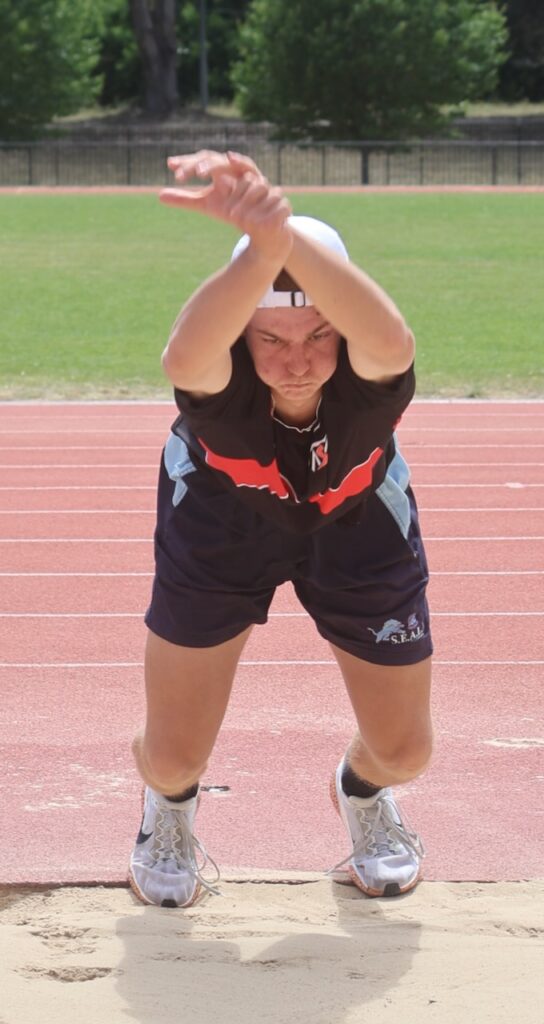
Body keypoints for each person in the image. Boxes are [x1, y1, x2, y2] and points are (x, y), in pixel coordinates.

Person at [128, 150, 434, 909]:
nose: (296, 360)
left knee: (404, 750)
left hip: (358, 524)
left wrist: (284, 238)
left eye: (317, 335)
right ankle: (167, 810)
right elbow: (181, 352)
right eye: (271, 339)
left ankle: (360, 796)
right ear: (244, 337)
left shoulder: (369, 376)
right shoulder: (217, 377)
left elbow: (392, 339)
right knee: (170, 760)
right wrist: (262, 251)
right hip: (218, 524)